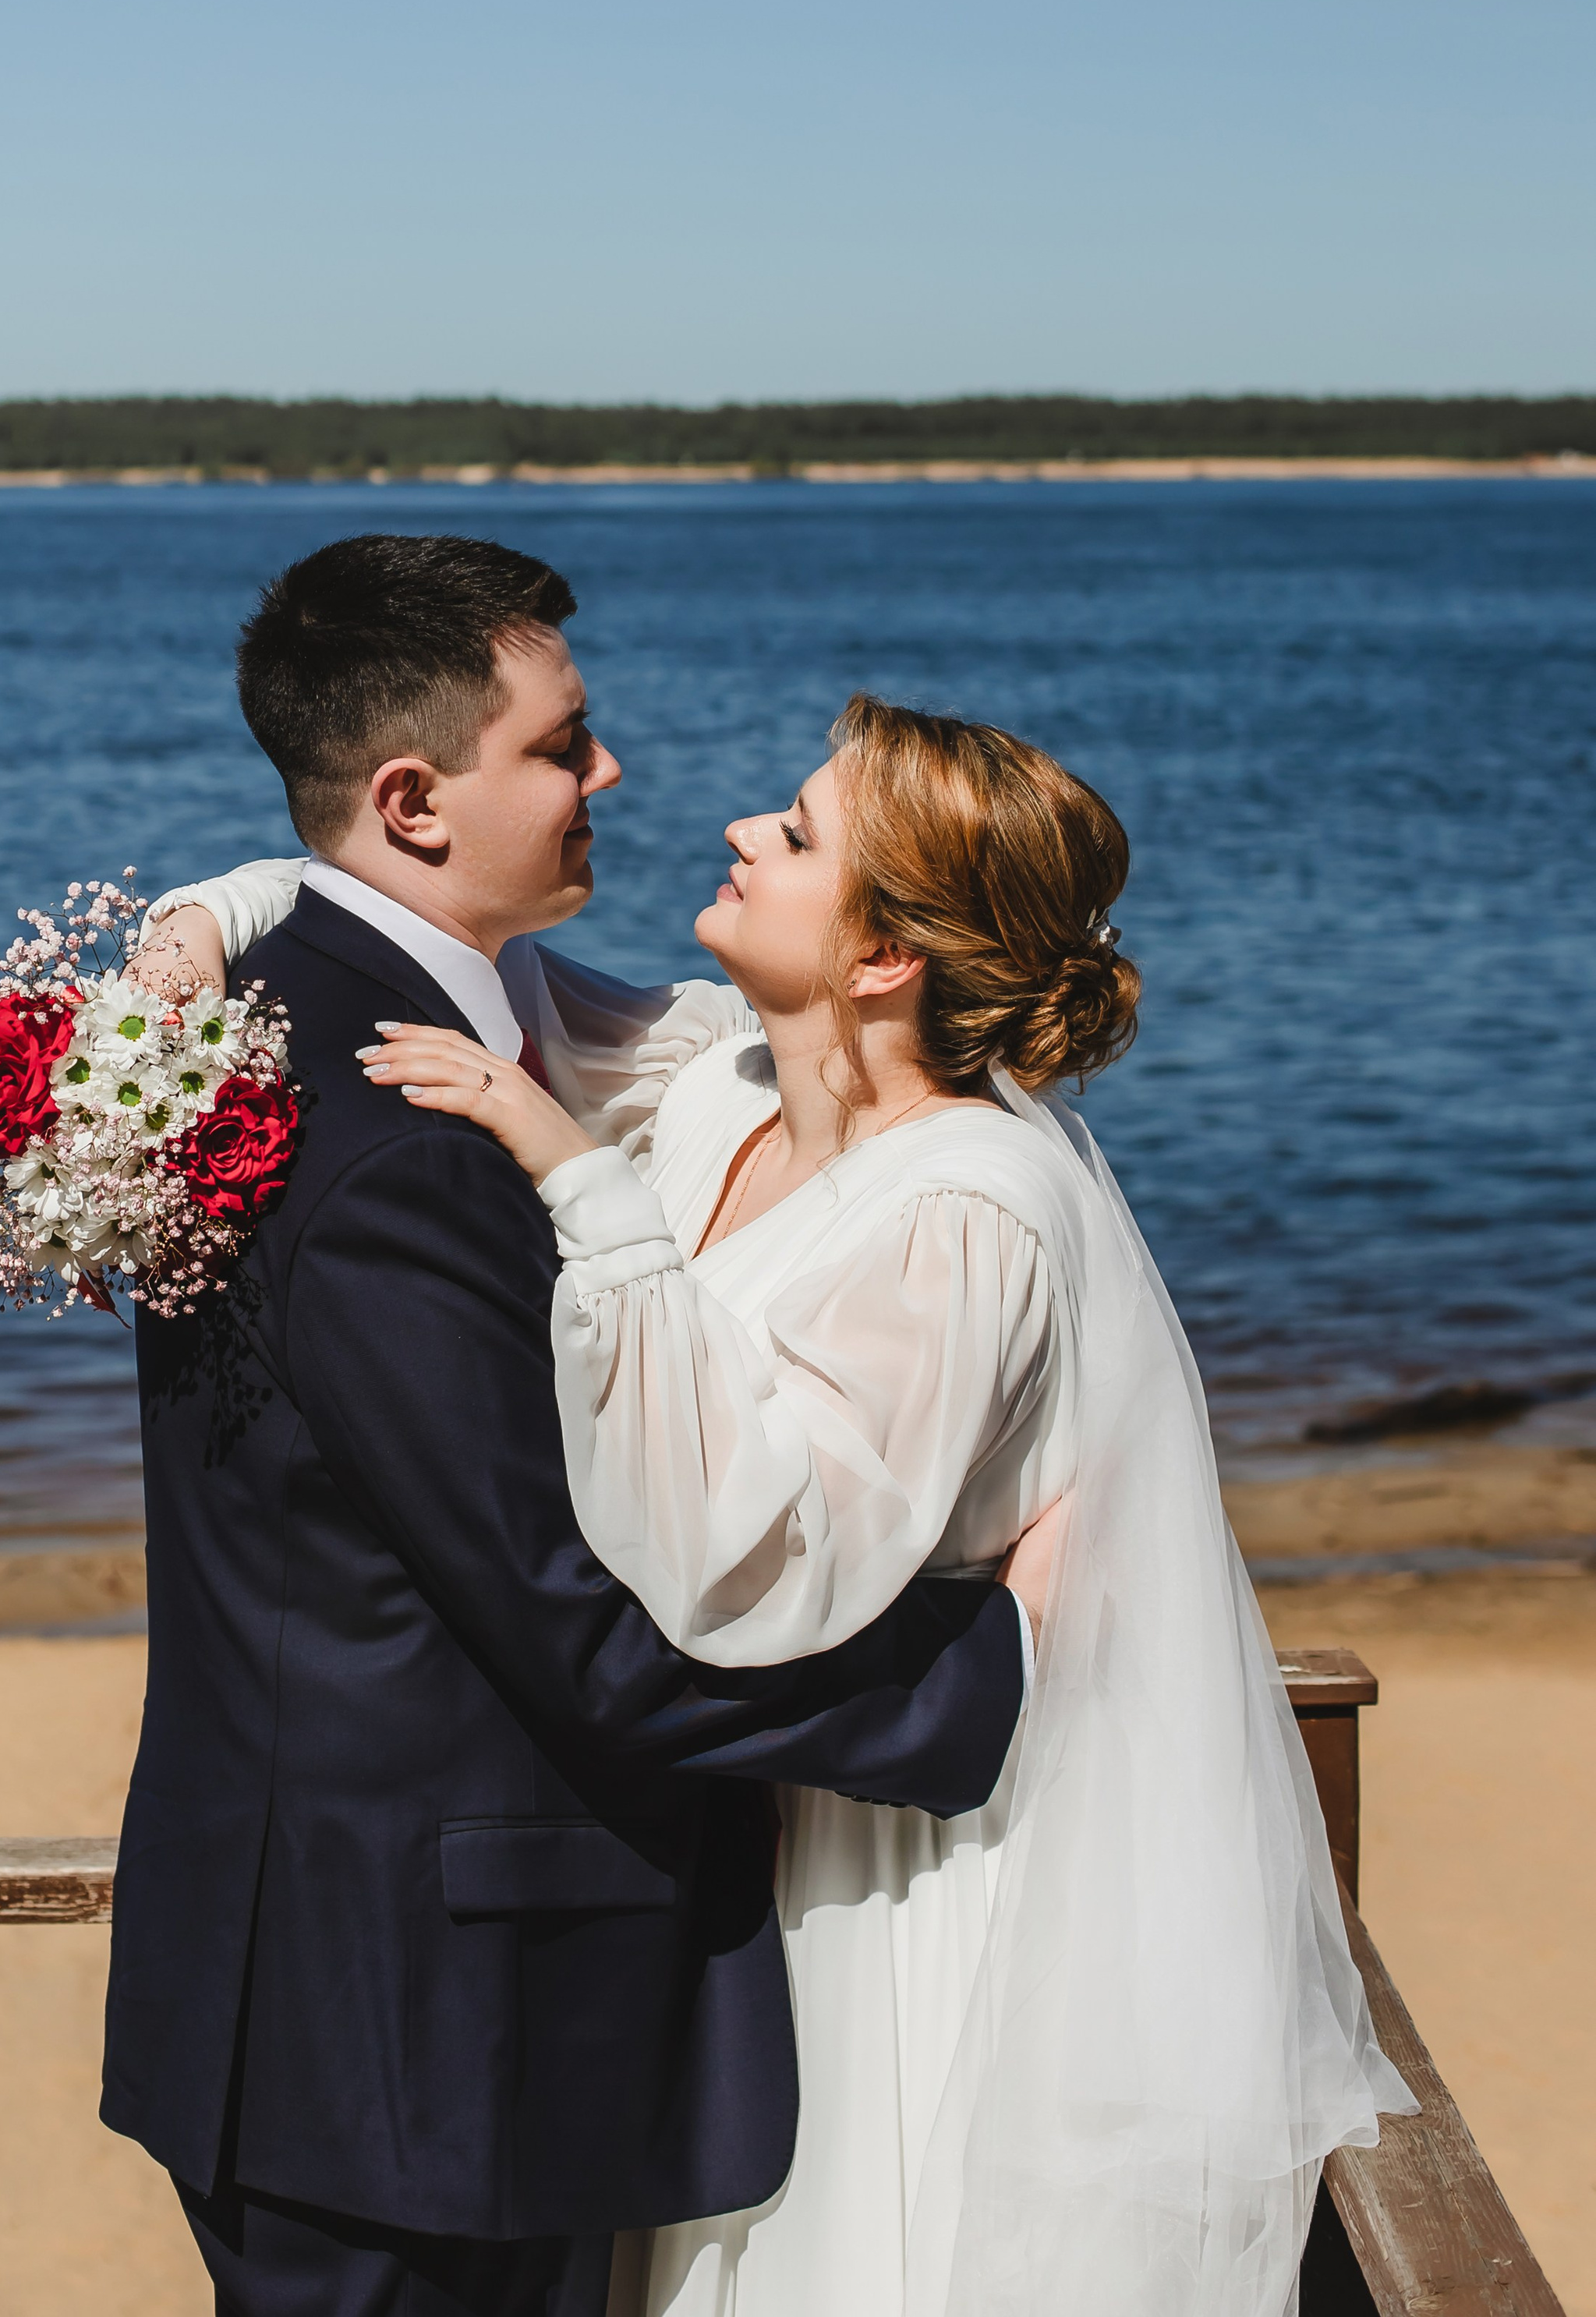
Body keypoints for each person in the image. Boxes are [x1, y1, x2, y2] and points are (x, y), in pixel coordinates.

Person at [163, 681, 1412, 2317]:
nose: (743, 826)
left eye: (801, 831)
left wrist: (580, 1185)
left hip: (885, 1872)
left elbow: (740, 1575)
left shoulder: (968, 1212)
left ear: (883, 955)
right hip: (735, 1847)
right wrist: (223, 908)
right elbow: (446, 938)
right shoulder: (716, 1079)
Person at [101, 535, 1047, 2317]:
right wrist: (974, 1666)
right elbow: (581, 1619)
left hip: (345, 2003)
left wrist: (234, 897)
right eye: (559, 745)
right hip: (407, 2042)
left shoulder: (318, 1010)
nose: (609, 772)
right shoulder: (394, 1147)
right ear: (411, 801)